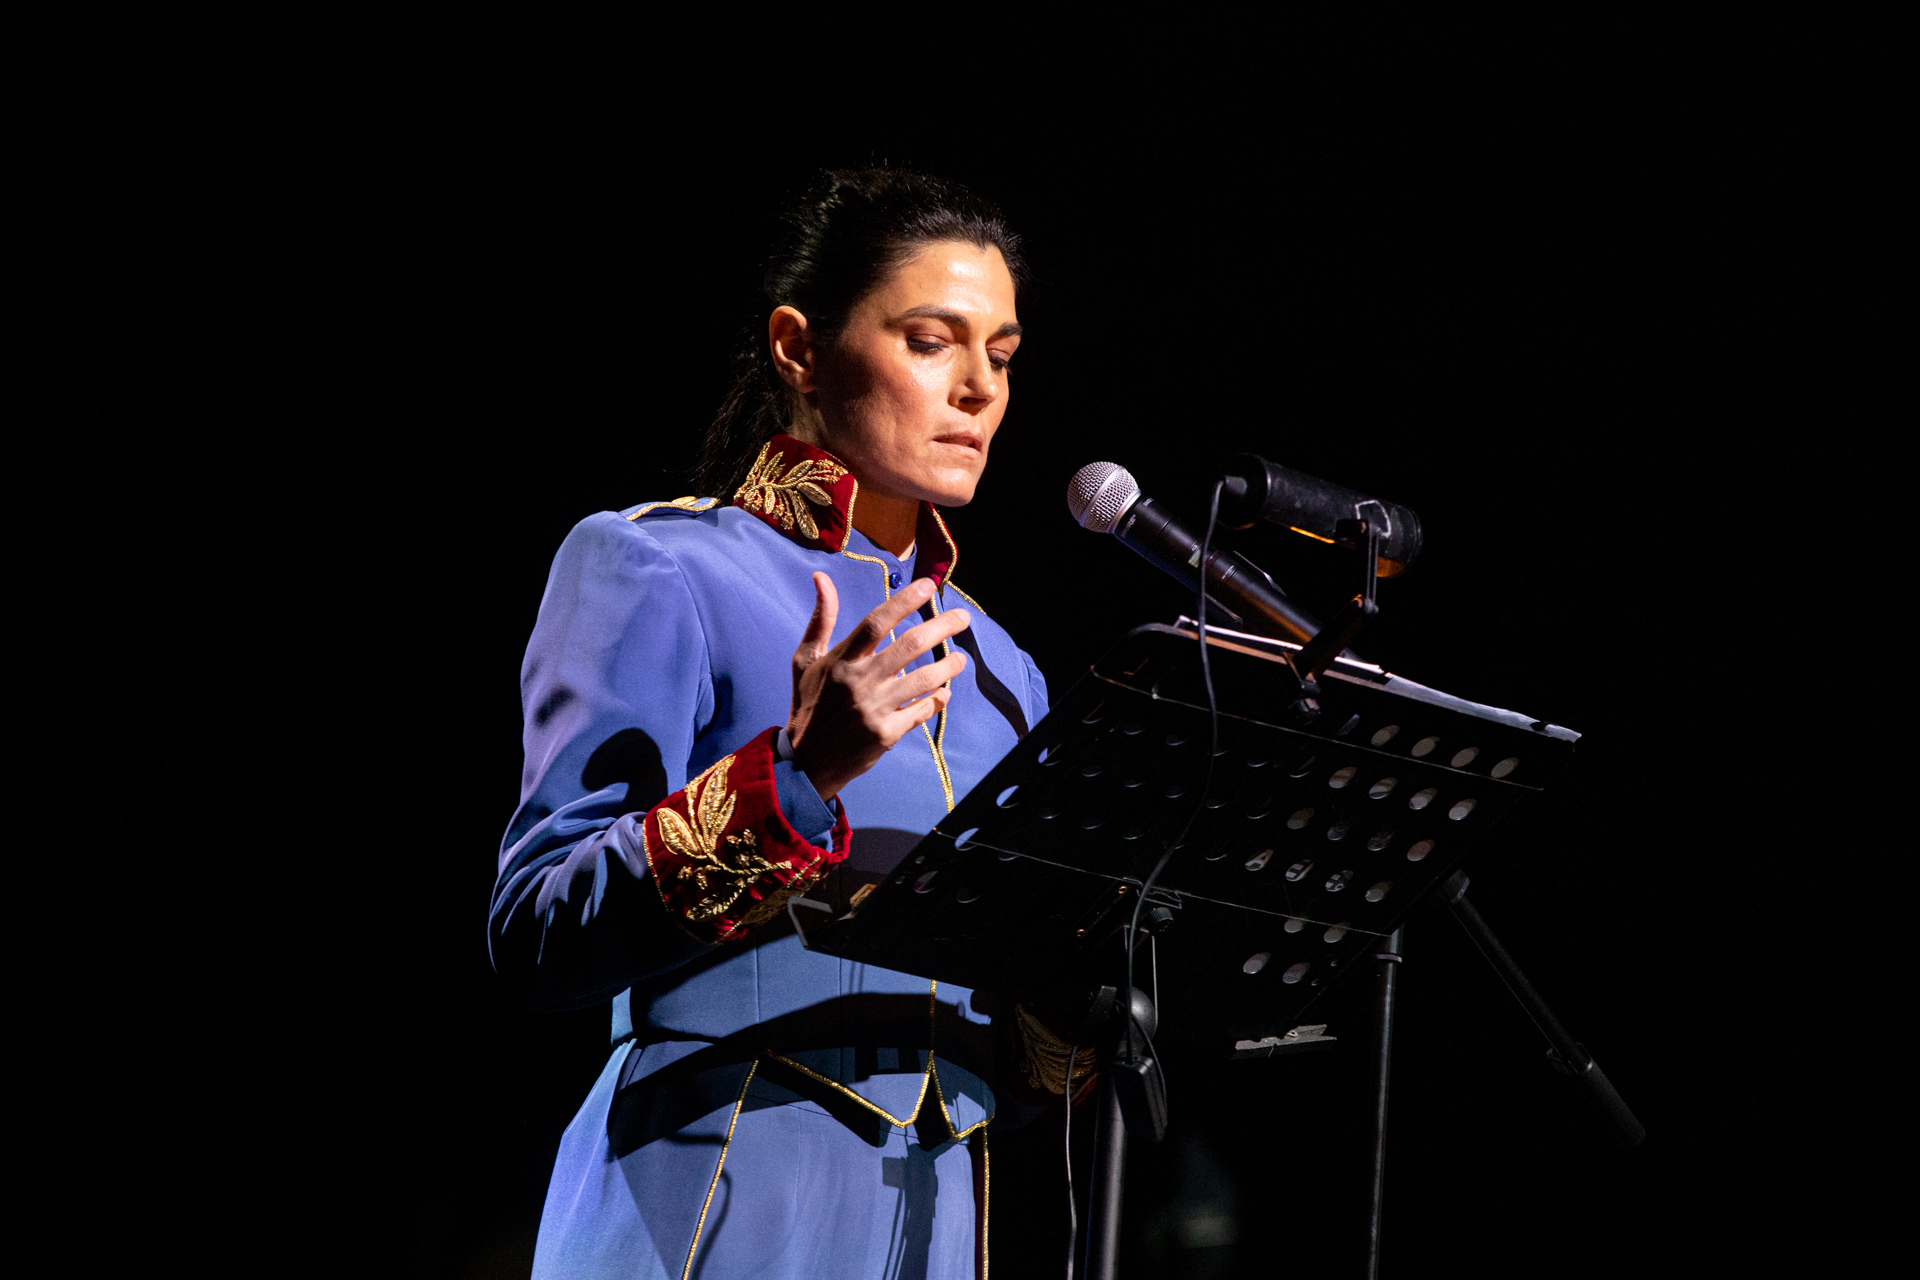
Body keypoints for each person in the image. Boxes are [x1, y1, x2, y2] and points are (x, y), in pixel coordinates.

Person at [492, 169, 1085, 1280]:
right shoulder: (661, 565)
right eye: (930, 341)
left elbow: (1020, 1065)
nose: (977, 388)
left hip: (937, 1223)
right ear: (799, 348)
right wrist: (797, 777)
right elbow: (538, 929)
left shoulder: (1008, 676)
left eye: (1001, 356)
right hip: (710, 1187)